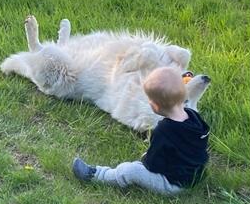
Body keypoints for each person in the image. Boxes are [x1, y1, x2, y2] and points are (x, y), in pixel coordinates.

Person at [72, 66, 210, 195]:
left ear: (156, 106)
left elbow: (153, 165)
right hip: (194, 176)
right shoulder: (194, 118)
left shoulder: (164, 130)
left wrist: (145, 159)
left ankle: (98, 175)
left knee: (132, 170)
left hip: (172, 184)